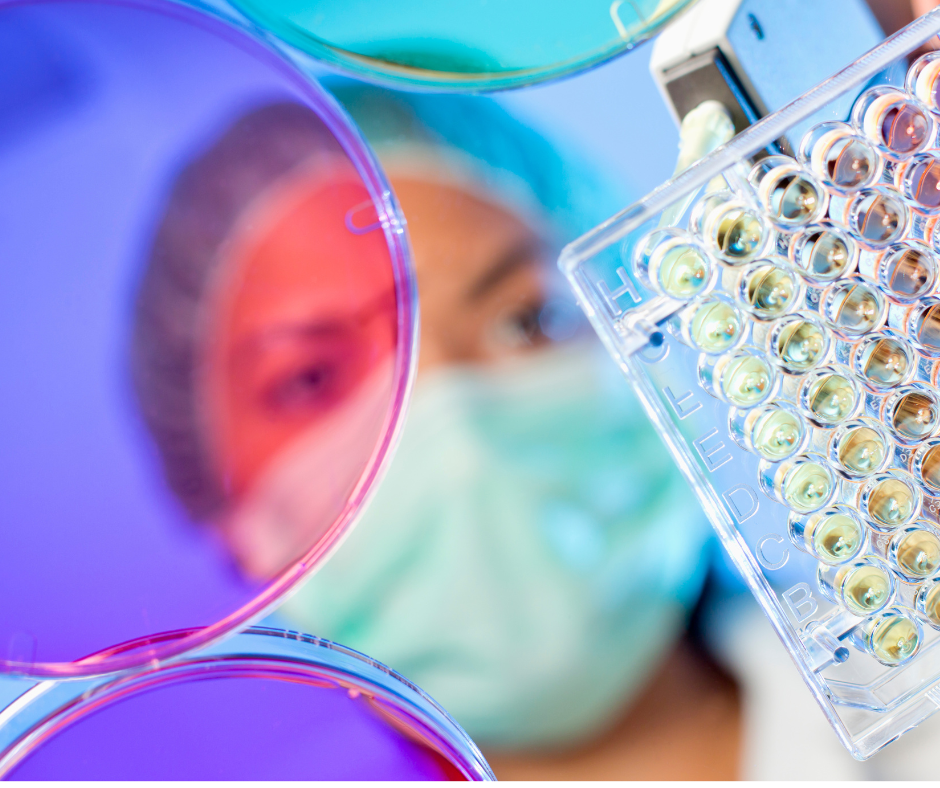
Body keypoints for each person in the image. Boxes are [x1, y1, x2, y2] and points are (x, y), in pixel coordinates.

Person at [131, 81, 729, 775]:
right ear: (226, 516)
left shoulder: (885, 668)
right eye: (311, 379)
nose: (462, 436)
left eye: (526, 321)